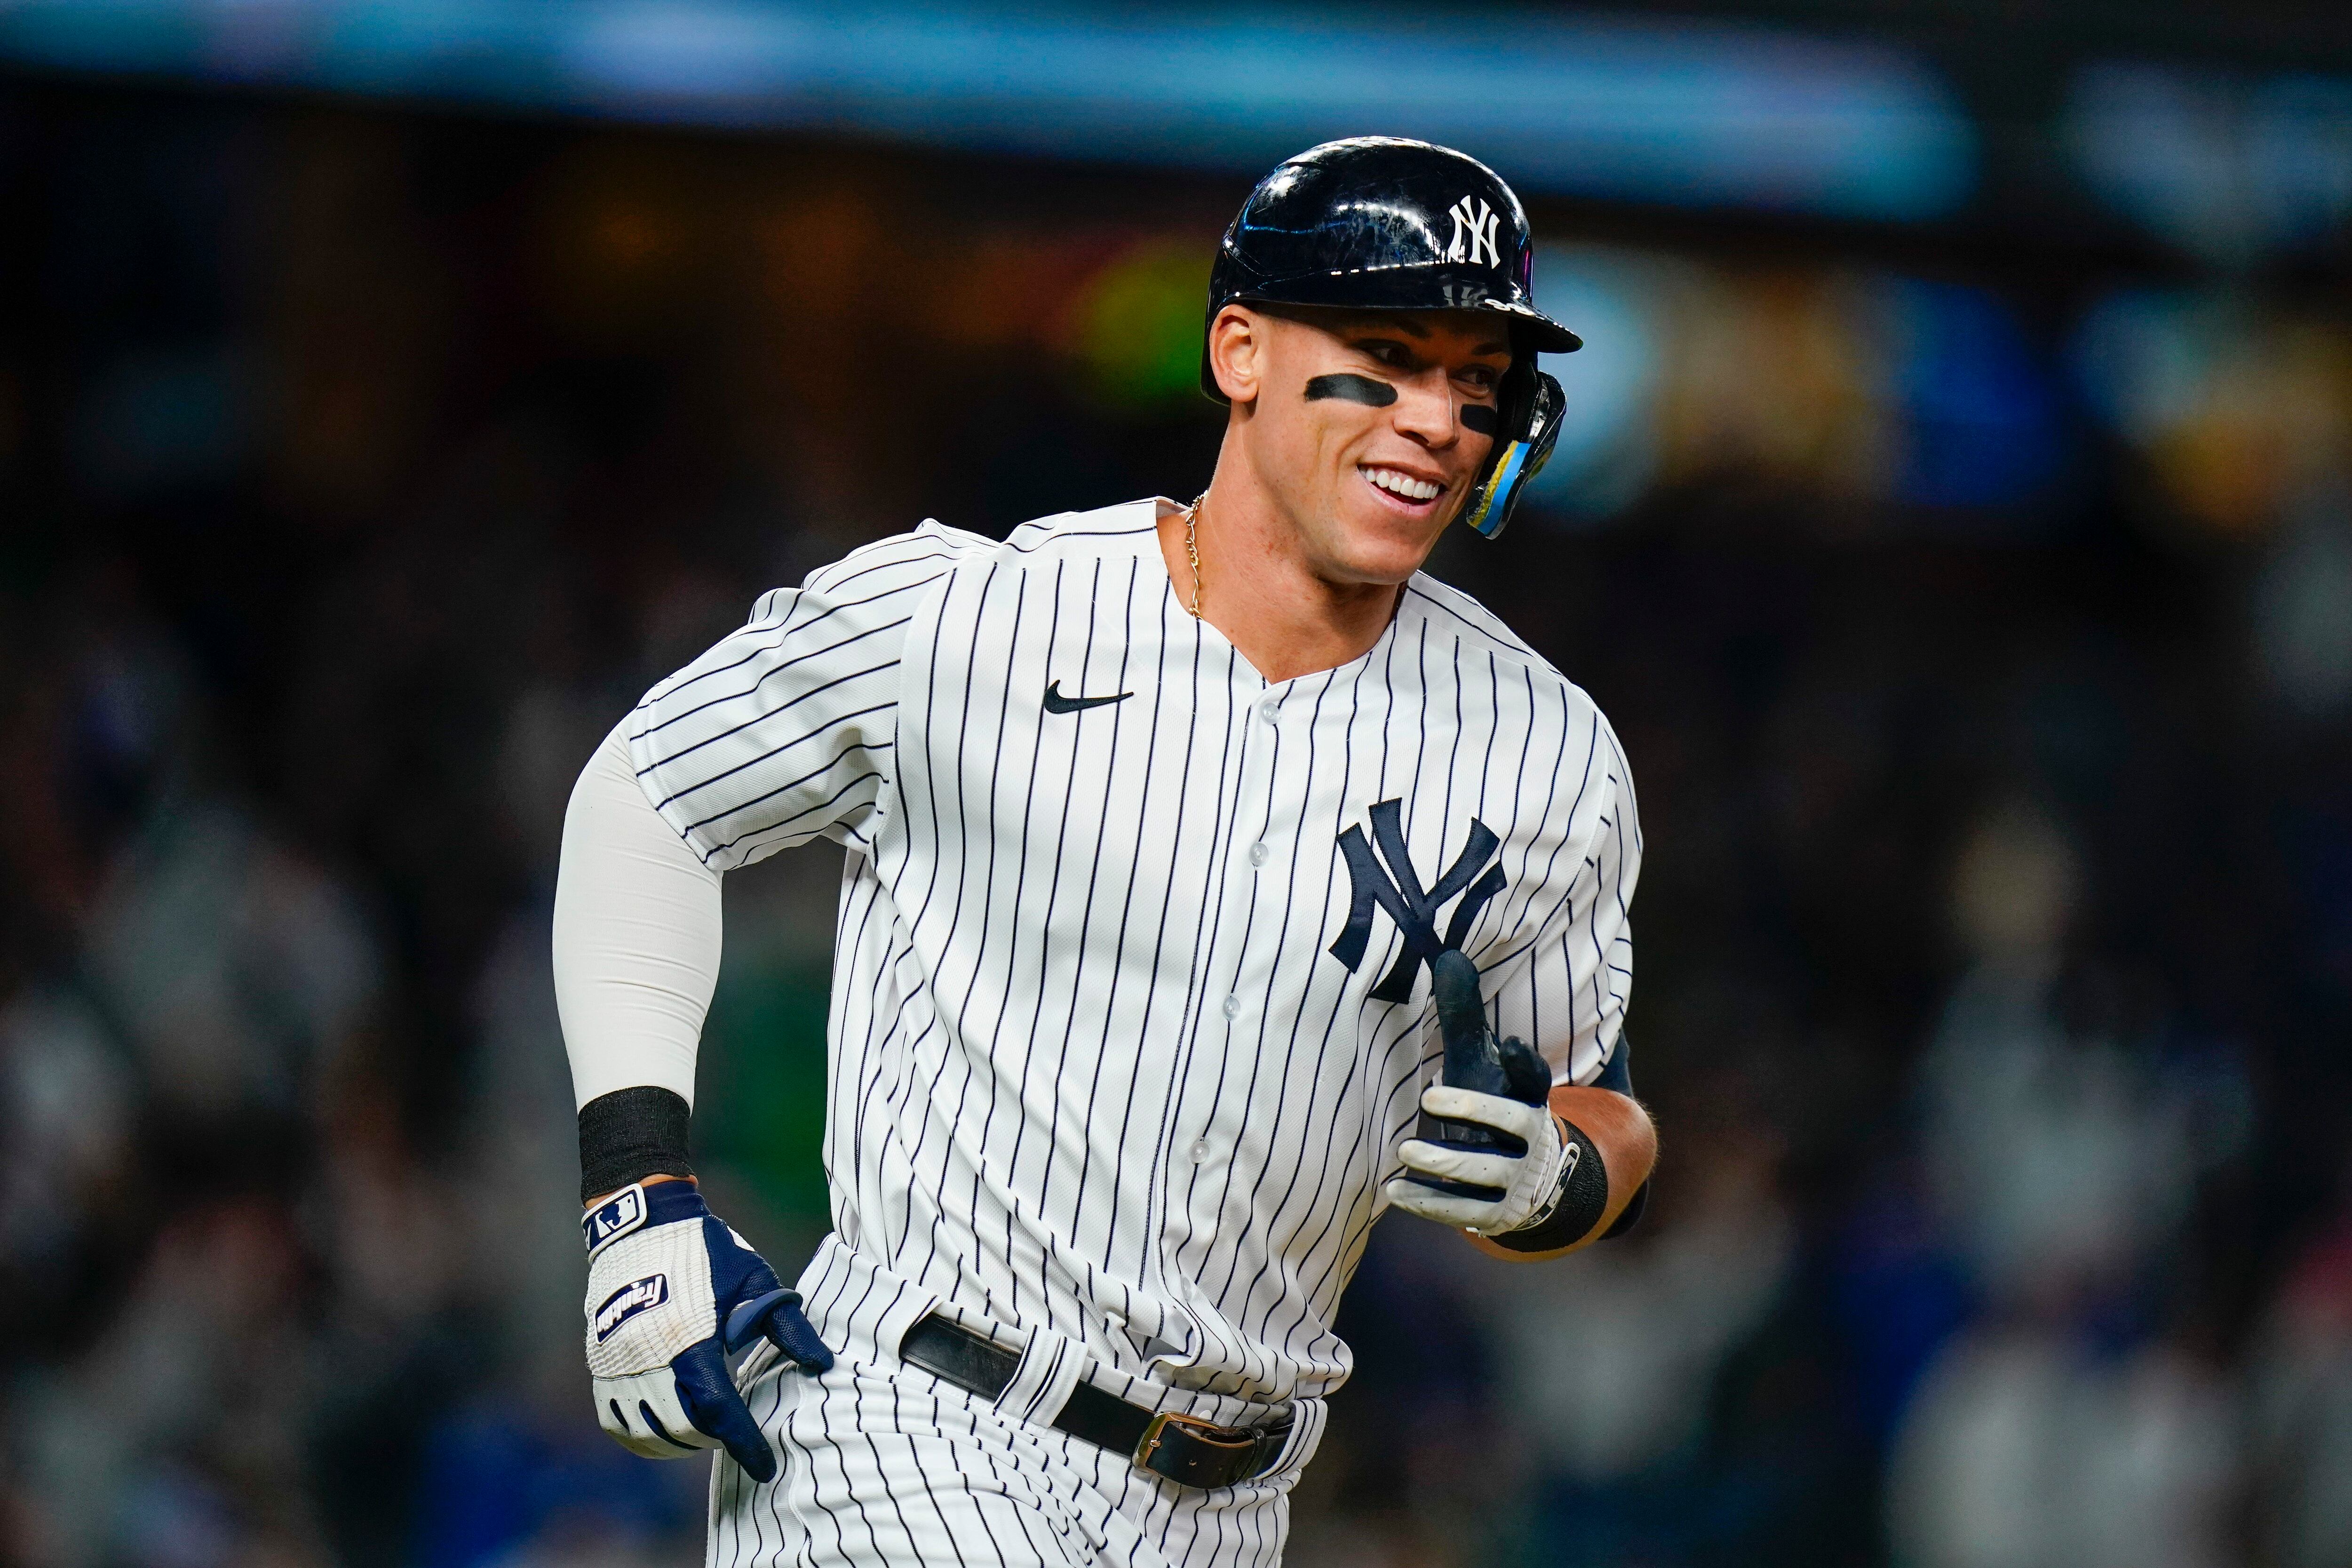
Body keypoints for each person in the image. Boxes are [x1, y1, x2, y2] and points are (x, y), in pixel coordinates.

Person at [552, 135, 1655, 1568]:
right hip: (911, 1426)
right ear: (1241, 351)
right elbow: (649, 796)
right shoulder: (970, 616)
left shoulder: (1547, 752)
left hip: (1235, 1505)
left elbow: (1602, 1107)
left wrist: (1561, 1184)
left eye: (1475, 379)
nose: (1437, 416)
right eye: (1385, 353)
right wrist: (636, 1201)